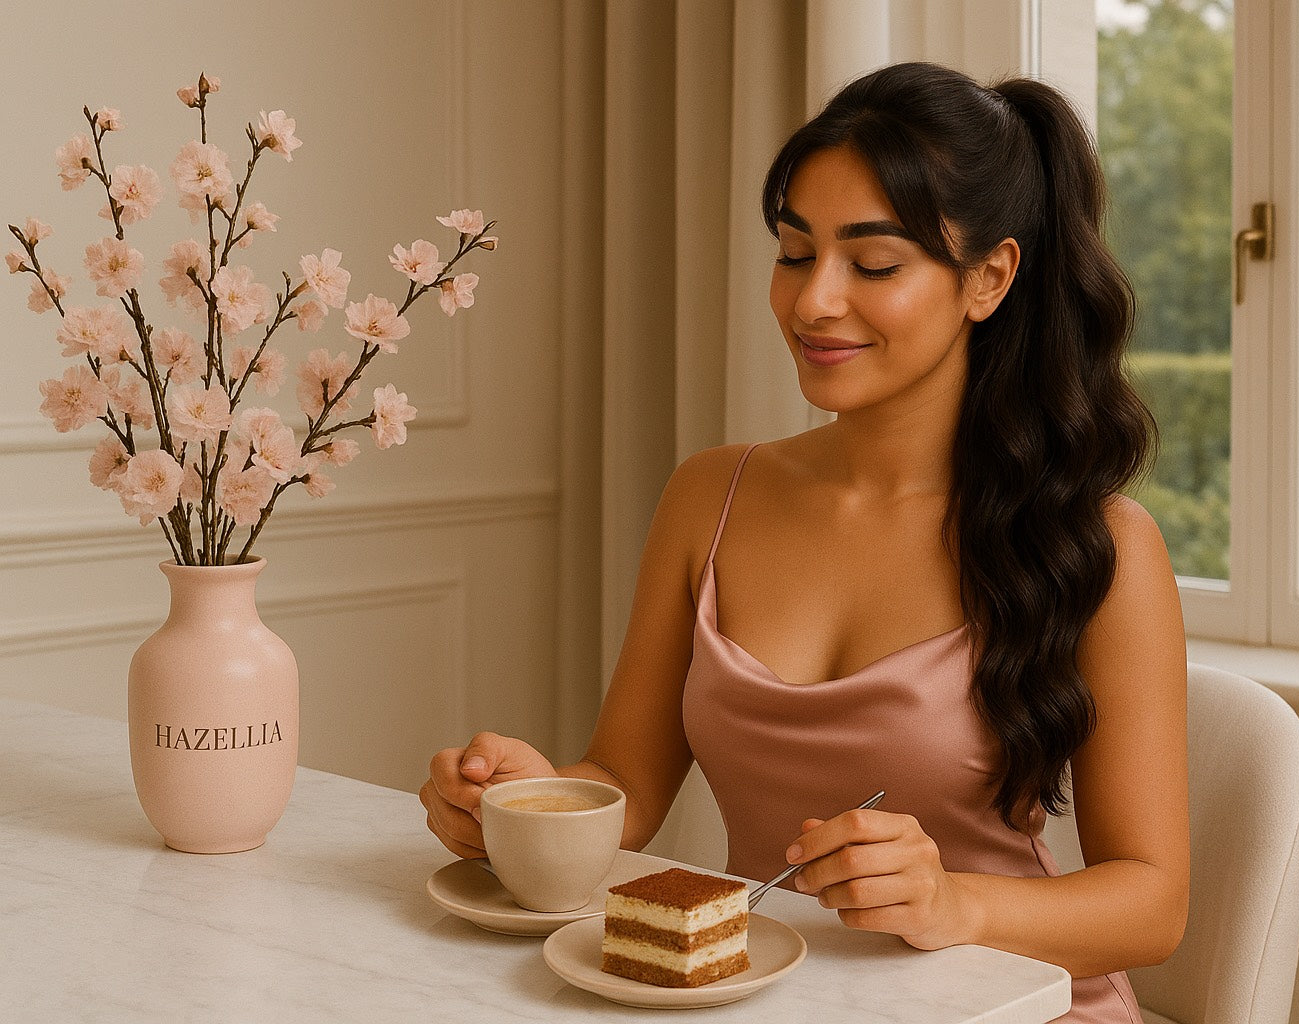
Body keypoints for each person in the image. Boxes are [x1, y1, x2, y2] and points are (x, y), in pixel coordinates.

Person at [421, 61, 1187, 1023]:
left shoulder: (1100, 543)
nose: (814, 301)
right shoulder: (711, 496)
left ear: (989, 278)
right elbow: (625, 783)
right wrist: (523, 803)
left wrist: (953, 903)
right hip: (769, 1001)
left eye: (874, 265)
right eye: (794, 253)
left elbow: (1152, 905)